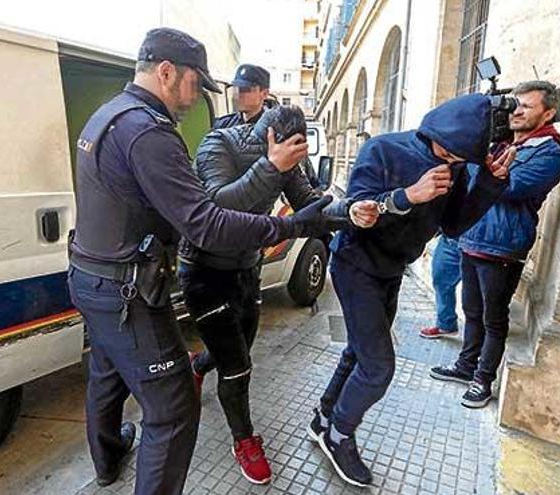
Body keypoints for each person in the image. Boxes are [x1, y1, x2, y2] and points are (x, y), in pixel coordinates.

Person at [67, 27, 343, 495]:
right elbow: (207, 223)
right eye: (197, 84)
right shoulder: (152, 133)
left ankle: (108, 458)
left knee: (107, 373)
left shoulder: (110, 115)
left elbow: (307, 198)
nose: (198, 98)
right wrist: (287, 226)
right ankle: (126, 451)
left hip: (92, 277)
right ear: (168, 72)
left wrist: (354, 209)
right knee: (173, 412)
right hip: (128, 290)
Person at [307, 93, 517, 487]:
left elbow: (453, 226)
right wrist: (409, 195)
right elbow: (357, 214)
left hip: (391, 269)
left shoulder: (455, 167)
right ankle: (339, 434)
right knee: (378, 367)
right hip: (356, 265)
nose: (454, 167)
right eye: (455, 158)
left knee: (358, 352)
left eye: (460, 164)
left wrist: (488, 184)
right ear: (444, 137)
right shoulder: (383, 149)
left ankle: (323, 418)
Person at [178, 105, 378, 485]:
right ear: (271, 138)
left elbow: (309, 205)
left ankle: (198, 365)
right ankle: (244, 440)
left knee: (238, 348)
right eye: (291, 152)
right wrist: (271, 165)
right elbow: (215, 207)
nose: (292, 164)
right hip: (204, 270)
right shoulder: (217, 145)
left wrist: (350, 211)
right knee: (238, 367)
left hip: (246, 267)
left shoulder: (286, 160)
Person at [430, 81, 560, 409]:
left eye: (527, 107)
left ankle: (483, 378)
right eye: (514, 105)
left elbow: (508, 187)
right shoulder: (498, 143)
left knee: (494, 318)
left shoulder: (549, 153)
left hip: (502, 247)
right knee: (472, 312)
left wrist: (483, 161)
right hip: (472, 237)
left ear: (548, 113)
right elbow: (468, 177)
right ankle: (466, 366)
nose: (517, 112)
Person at [419, 234, 462, 338]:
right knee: (440, 280)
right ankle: (446, 324)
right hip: (450, 239)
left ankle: (481, 339)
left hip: (478, 243)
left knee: (477, 294)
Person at [212, 64, 270, 129]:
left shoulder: (274, 128)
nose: (238, 94)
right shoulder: (223, 124)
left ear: (264, 94)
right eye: (235, 88)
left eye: (245, 89)